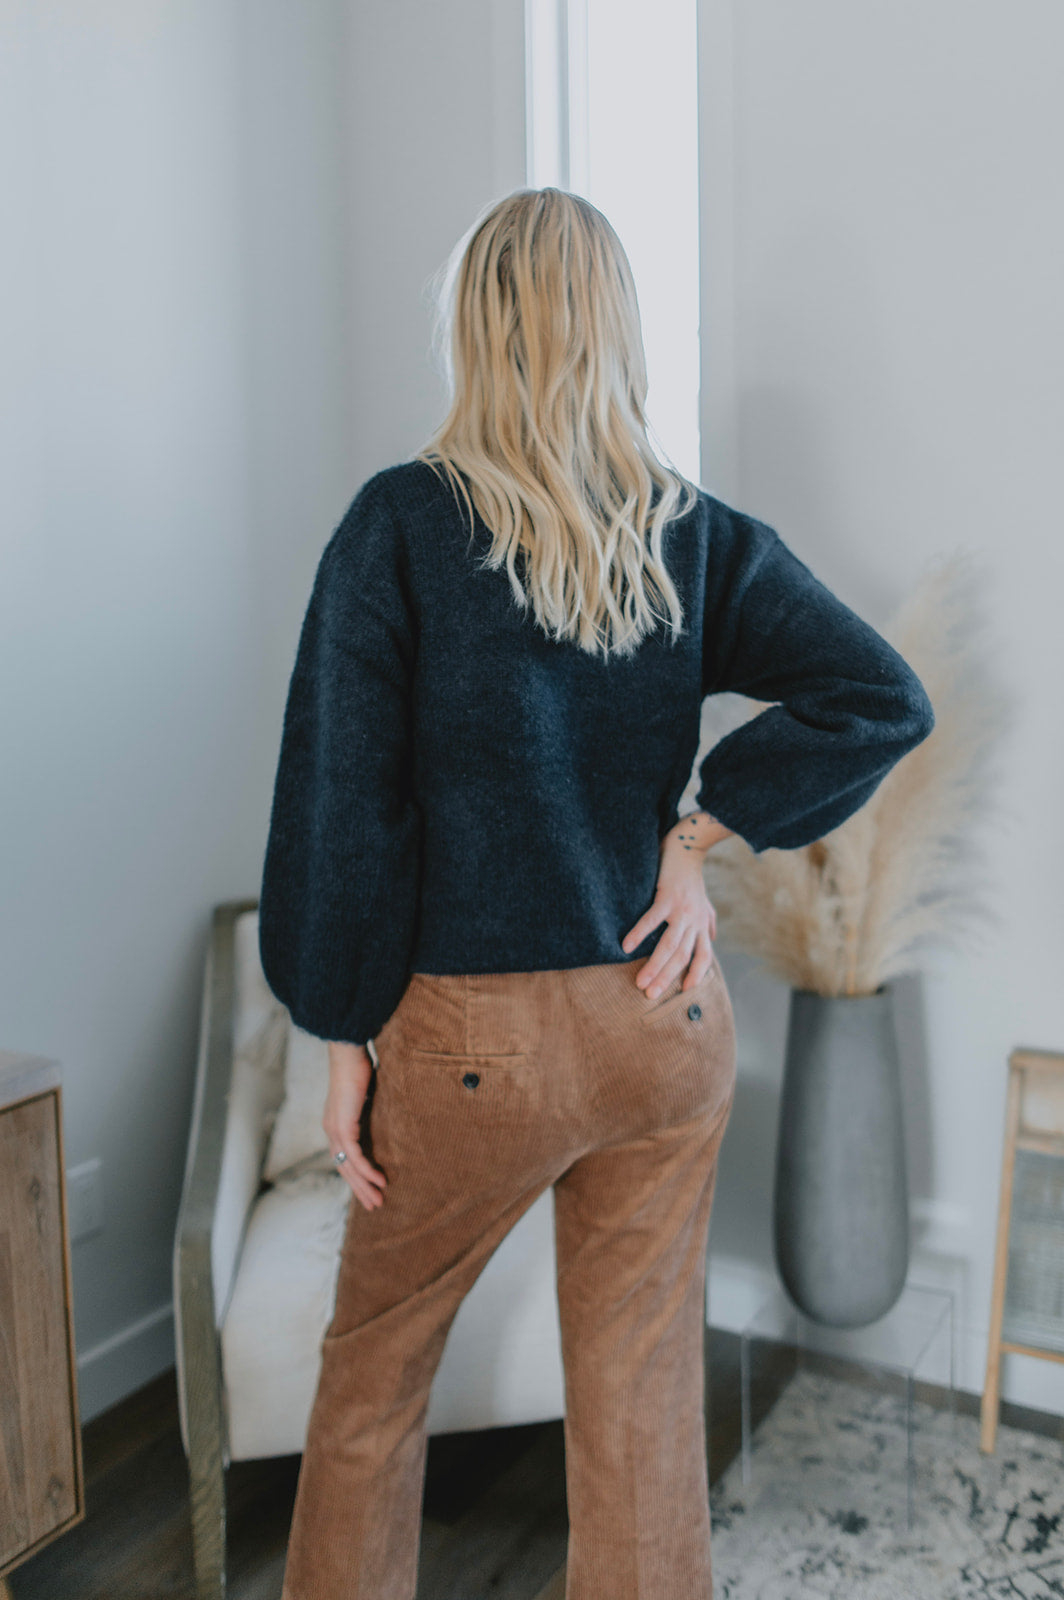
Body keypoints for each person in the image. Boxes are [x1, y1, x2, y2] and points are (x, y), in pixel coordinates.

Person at [257, 186, 935, 1600]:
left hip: (471, 1049)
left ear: (475, 327)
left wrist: (339, 1036)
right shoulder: (688, 534)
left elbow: (346, 806)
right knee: (641, 1399)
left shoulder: (400, 526)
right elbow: (881, 695)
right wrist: (699, 839)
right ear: (617, 331)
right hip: (661, 1023)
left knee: (374, 1378)